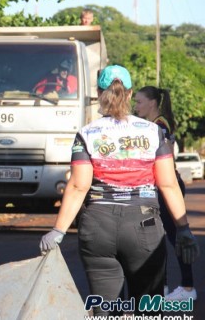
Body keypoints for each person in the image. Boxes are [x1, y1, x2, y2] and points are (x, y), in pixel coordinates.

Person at [39, 65, 199, 317]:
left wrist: (58, 231)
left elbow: (79, 185)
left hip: (97, 226)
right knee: (146, 309)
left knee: (106, 310)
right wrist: (183, 229)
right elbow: (167, 184)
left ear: (99, 92)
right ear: (130, 93)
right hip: (143, 226)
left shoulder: (87, 133)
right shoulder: (152, 132)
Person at [134, 86, 196, 301]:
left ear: (152, 103)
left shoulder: (159, 125)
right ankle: (164, 287)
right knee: (157, 239)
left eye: (139, 102)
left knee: (175, 237)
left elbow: (166, 155)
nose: (136, 106)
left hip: (166, 187)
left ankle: (188, 288)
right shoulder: (155, 124)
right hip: (158, 187)